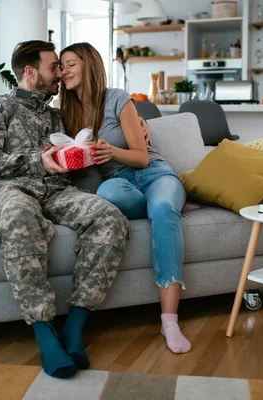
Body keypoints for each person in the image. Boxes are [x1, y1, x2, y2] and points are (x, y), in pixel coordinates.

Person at [0, 40, 130, 379]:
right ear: (30, 72)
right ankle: (43, 333)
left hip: (54, 191)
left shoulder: (58, 115)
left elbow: (88, 139)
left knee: (108, 215)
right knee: (20, 217)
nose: (60, 73)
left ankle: (74, 327)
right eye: (54, 66)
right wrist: (36, 162)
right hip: (5, 190)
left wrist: (138, 129)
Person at [59, 42, 191, 354]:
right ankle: (173, 205)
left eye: (70, 64)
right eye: (61, 66)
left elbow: (143, 158)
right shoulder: (66, 114)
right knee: (108, 193)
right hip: (118, 182)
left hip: (154, 174)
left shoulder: (117, 98)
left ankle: (169, 321)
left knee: (161, 206)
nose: (64, 71)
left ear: (89, 65)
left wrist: (111, 151)